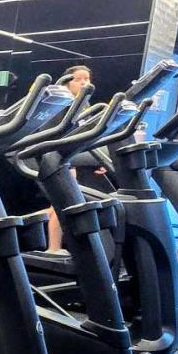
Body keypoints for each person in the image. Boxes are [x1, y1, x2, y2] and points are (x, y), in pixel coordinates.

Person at [45, 66, 101, 251]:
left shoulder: (84, 106)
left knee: (58, 206)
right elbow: (56, 136)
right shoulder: (63, 105)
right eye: (78, 79)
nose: (84, 82)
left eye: (87, 79)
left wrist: (98, 159)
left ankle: (27, 224)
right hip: (62, 159)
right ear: (67, 82)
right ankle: (53, 248)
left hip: (74, 159)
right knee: (61, 204)